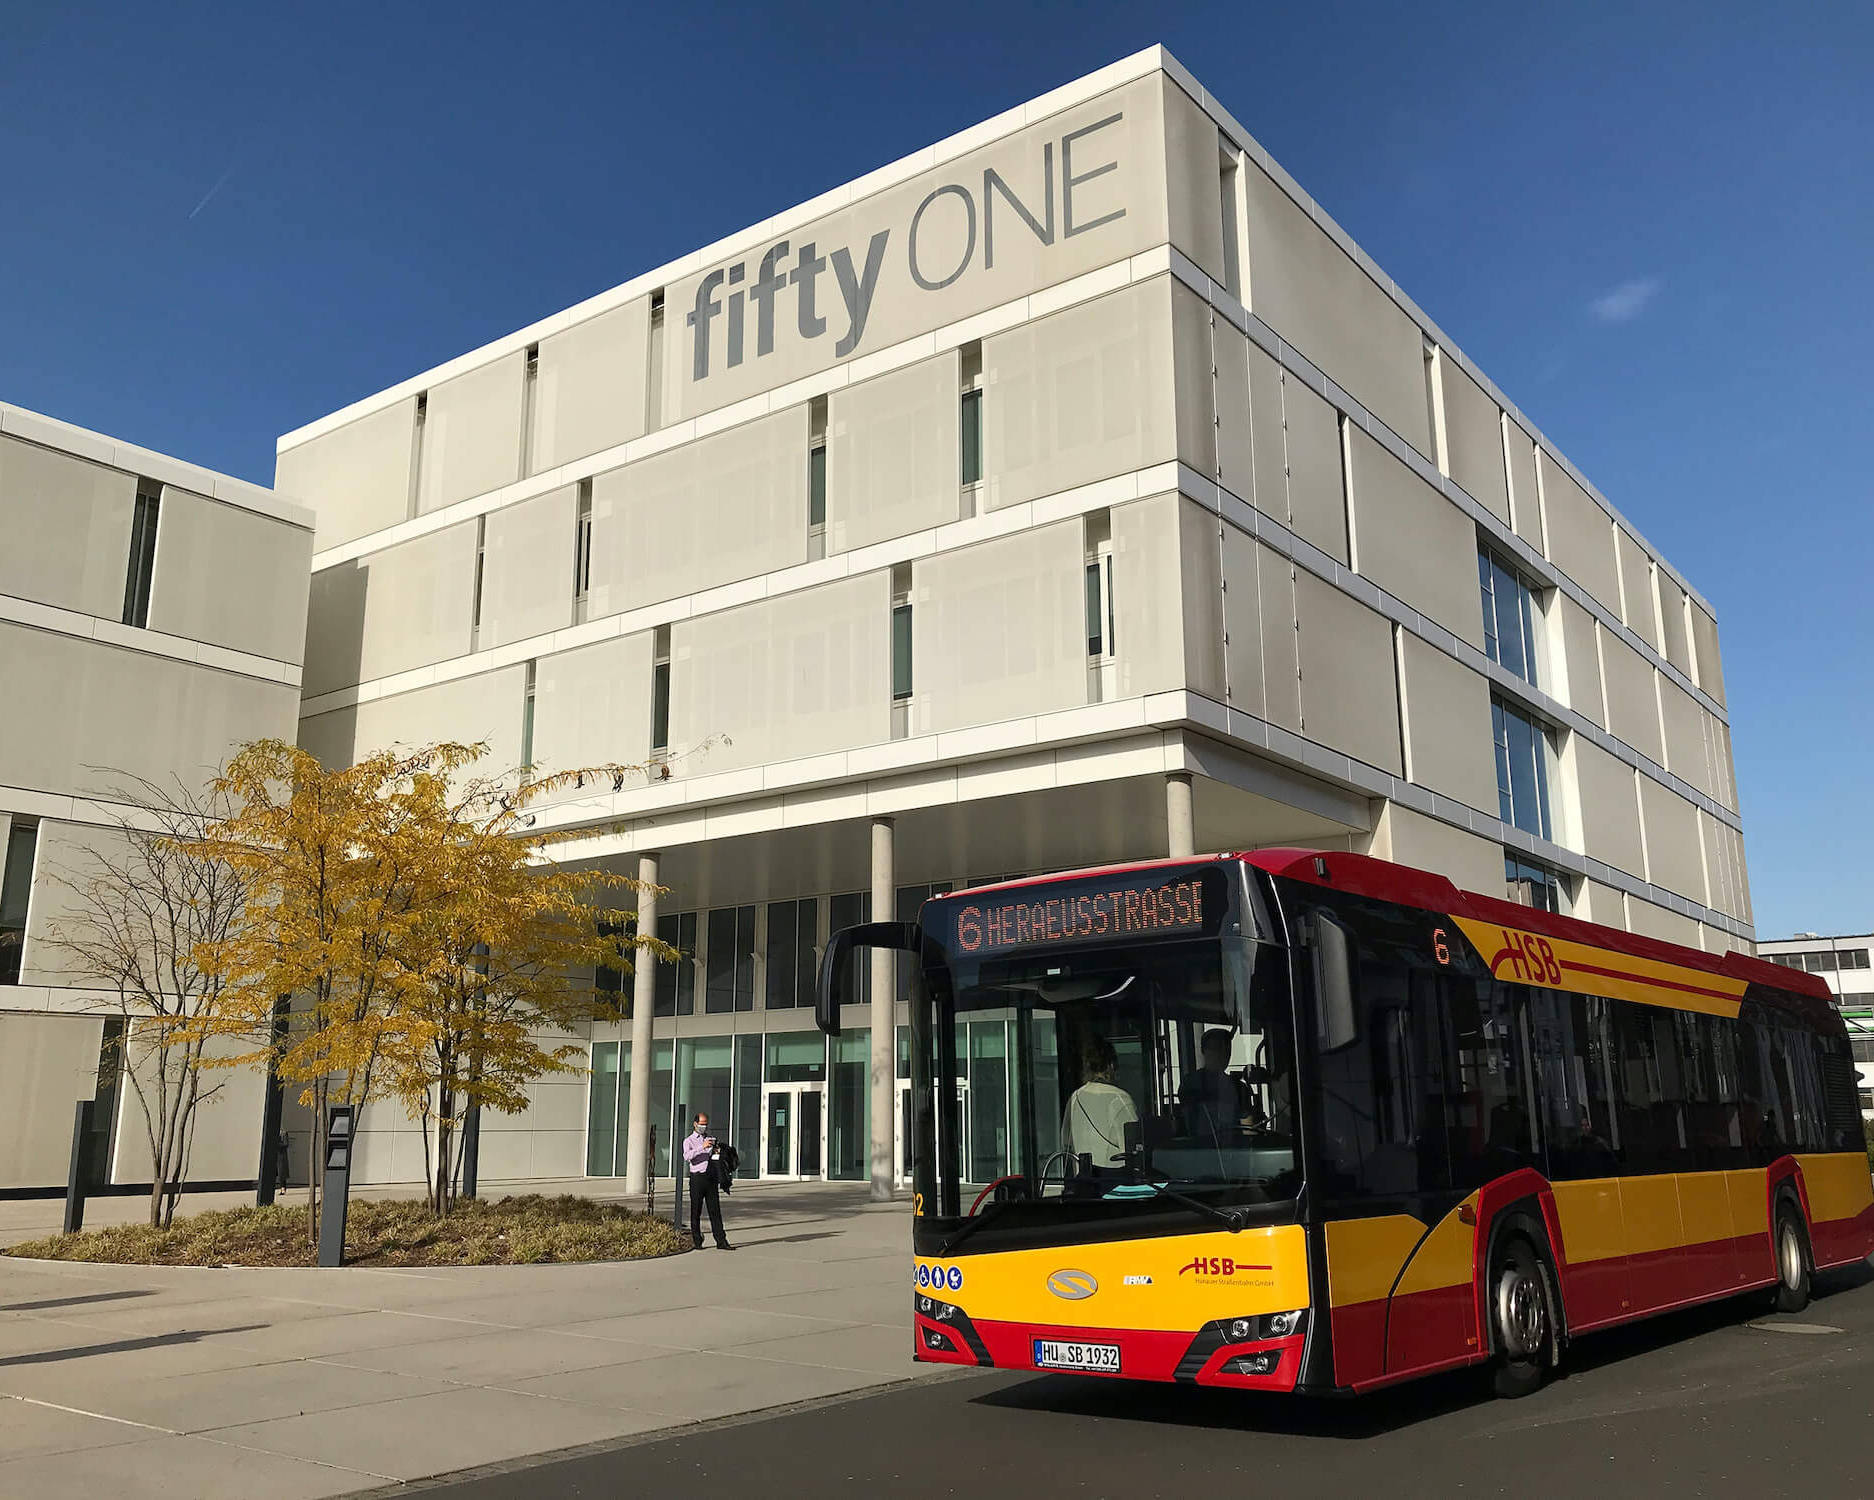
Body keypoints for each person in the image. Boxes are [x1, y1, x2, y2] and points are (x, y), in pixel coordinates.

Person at [1061, 1037, 1139, 1168]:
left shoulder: (1075, 1098)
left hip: (1085, 1181)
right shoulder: (1119, 1098)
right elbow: (1135, 1146)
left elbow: (1066, 1143)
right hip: (1114, 1181)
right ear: (1111, 1065)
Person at [1179, 1028, 1249, 1137]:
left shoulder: (1239, 1087)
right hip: (1200, 1148)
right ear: (1203, 1051)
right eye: (1216, 1048)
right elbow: (1189, 1121)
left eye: (1227, 1049)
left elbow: (1249, 1126)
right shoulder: (1192, 1083)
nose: (1222, 1054)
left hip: (1235, 1149)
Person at [682, 1112, 735, 1250]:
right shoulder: (689, 1141)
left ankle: (721, 1241)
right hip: (697, 1178)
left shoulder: (710, 1138)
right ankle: (697, 1241)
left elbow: (715, 1156)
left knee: (715, 1211)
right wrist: (702, 1147)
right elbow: (687, 1156)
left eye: (705, 1124)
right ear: (695, 1124)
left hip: (711, 1178)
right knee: (696, 1210)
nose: (703, 1127)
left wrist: (717, 1150)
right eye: (701, 1124)